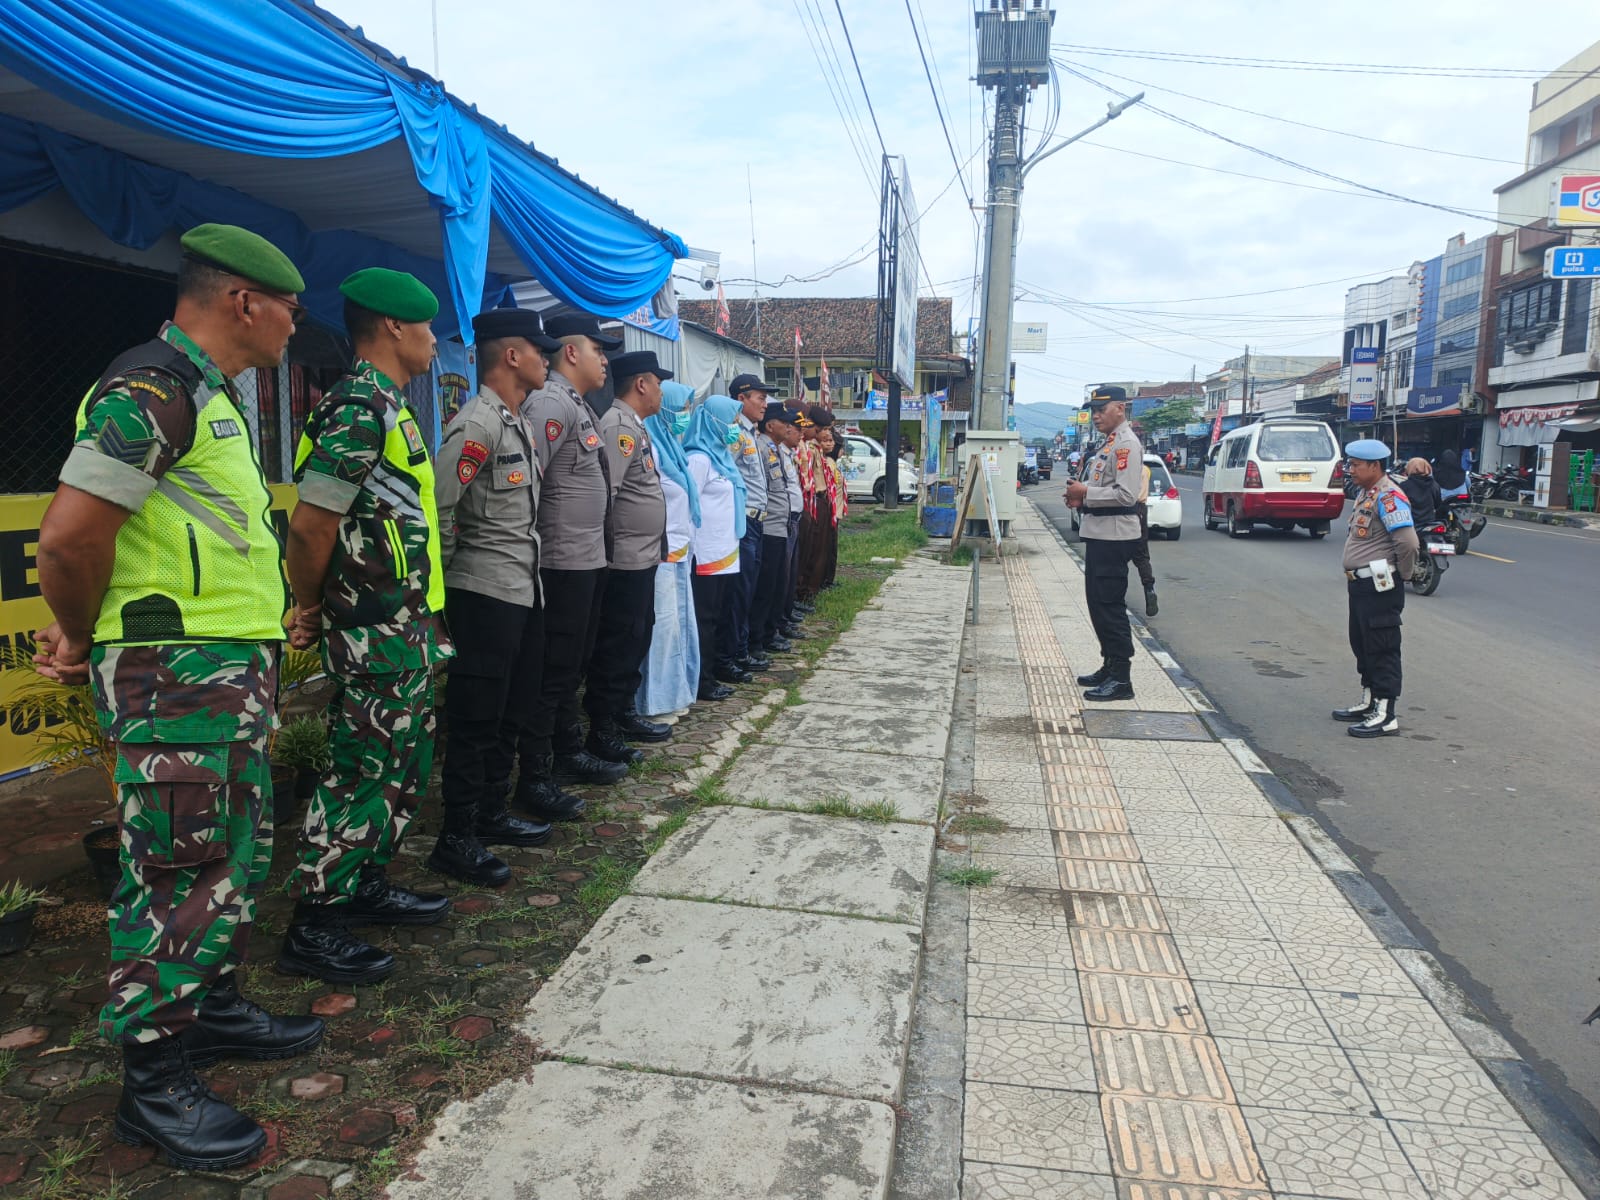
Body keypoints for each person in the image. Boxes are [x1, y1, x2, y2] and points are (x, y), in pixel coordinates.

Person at [33, 224, 321, 1169]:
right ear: (244, 301)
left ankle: (217, 1008)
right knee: (178, 865)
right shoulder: (150, 389)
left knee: (230, 851)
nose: (294, 323)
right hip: (174, 675)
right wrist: (77, 632)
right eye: (288, 305)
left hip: (220, 674)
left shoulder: (212, 397)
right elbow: (71, 541)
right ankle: (152, 1083)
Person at [282, 268, 452, 984]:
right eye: (427, 326)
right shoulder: (358, 406)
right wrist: (309, 606)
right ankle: (316, 921)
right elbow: (314, 521)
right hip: (371, 628)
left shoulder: (390, 404)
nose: (435, 340)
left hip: (404, 624)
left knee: (402, 766)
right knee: (362, 771)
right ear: (391, 327)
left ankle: (364, 883)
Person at [426, 307, 561, 888]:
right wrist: (446, 599)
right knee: (477, 718)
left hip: (520, 590)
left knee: (512, 709)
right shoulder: (476, 424)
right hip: (482, 592)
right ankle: (455, 837)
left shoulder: (515, 421)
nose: (546, 359)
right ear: (511, 355)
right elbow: (440, 511)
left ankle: (490, 811)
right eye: (538, 350)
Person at [520, 313, 628, 791]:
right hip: (560, 561)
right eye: (597, 349)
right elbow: (527, 483)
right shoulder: (549, 403)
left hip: (586, 559)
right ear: (570, 352)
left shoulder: (575, 404)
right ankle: (540, 771)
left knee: (571, 667)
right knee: (554, 670)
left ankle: (569, 750)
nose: (604, 360)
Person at [587, 349, 675, 759]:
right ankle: (603, 728)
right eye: (657, 382)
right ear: (642, 384)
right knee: (617, 643)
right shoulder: (617, 426)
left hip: (640, 558)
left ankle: (623, 712)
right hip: (622, 560)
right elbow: (609, 495)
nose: (660, 390)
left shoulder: (634, 426)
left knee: (636, 637)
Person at [1332, 439, 1418, 738]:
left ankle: (1385, 713)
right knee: (1363, 644)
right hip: (1361, 585)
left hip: (1380, 585)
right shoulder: (1366, 493)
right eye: (1349, 464)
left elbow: (1407, 542)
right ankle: (1369, 701)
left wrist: (1401, 576)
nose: (1350, 470)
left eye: (1355, 465)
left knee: (1382, 647)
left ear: (1375, 466)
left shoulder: (1389, 497)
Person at [1063, 385, 1144, 701]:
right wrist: (1080, 500)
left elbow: (1126, 496)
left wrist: (1086, 494)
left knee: (1110, 606)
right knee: (1097, 604)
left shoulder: (1126, 445)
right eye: (1093, 411)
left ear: (1120, 409)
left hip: (1114, 537)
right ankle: (1109, 666)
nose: (1095, 416)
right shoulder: (1109, 444)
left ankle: (1122, 679)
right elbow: (1102, 492)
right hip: (1100, 534)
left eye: (1101, 409)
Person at [636, 380, 701, 716]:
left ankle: (677, 694)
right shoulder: (654, 448)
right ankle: (653, 703)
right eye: (681, 409)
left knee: (679, 628)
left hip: (679, 550)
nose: (685, 416)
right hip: (660, 552)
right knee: (661, 632)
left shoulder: (674, 449)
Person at [684, 396, 746, 701]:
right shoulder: (699, 459)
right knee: (704, 619)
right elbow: (688, 507)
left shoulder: (721, 456)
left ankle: (713, 671)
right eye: (731, 421)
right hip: (705, 554)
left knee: (718, 615)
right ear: (713, 422)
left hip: (726, 552)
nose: (736, 428)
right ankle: (702, 680)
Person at [720, 374, 776, 679]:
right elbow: (726, 472)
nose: (764, 403)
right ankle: (732, 654)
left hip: (757, 522)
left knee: (749, 591)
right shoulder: (734, 433)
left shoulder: (750, 432)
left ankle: (739, 650)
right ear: (741, 399)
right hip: (743, 521)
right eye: (760, 397)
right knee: (739, 594)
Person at [750, 402, 799, 656]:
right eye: (785, 422)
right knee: (766, 588)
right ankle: (759, 639)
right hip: (768, 527)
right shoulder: (760, 447)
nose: (789, 427)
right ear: (771, 425)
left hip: (780, 525)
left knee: (777, 585)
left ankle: (770, 633)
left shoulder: (775, 449)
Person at [1131, 458, 1158, 617]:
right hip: (1141, 510)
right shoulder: (1146, 469)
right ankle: (1149, 589)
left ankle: (1118, 595)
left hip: (1125, 510)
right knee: (1142, 556)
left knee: (1118, 555)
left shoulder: (1124, 470)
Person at [1399, 457, 1441, 528]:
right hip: (1430, 523)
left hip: (1411, 524)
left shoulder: (1404, 486)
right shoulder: (1434, 484)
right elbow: (1437, 504)